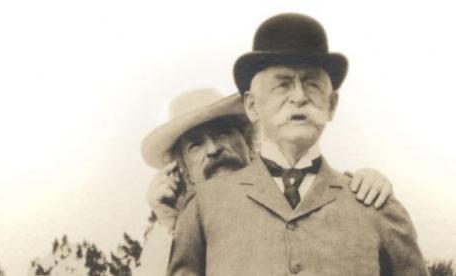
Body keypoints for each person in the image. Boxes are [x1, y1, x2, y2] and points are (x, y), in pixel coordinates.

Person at [167, 14, 429, 275]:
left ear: (332, 104)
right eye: (282, 85)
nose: (299, 97)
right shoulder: (204, 206)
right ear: (252, 106)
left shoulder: (375, 204)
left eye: (312, 84)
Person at [137, 89, 394, 276]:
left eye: (224, 133)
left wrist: (365, 187)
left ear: (249, 143)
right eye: (195, 146)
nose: (213, 149)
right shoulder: (171, 233)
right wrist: (170, 222)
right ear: (182, 171)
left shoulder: (300, 190)